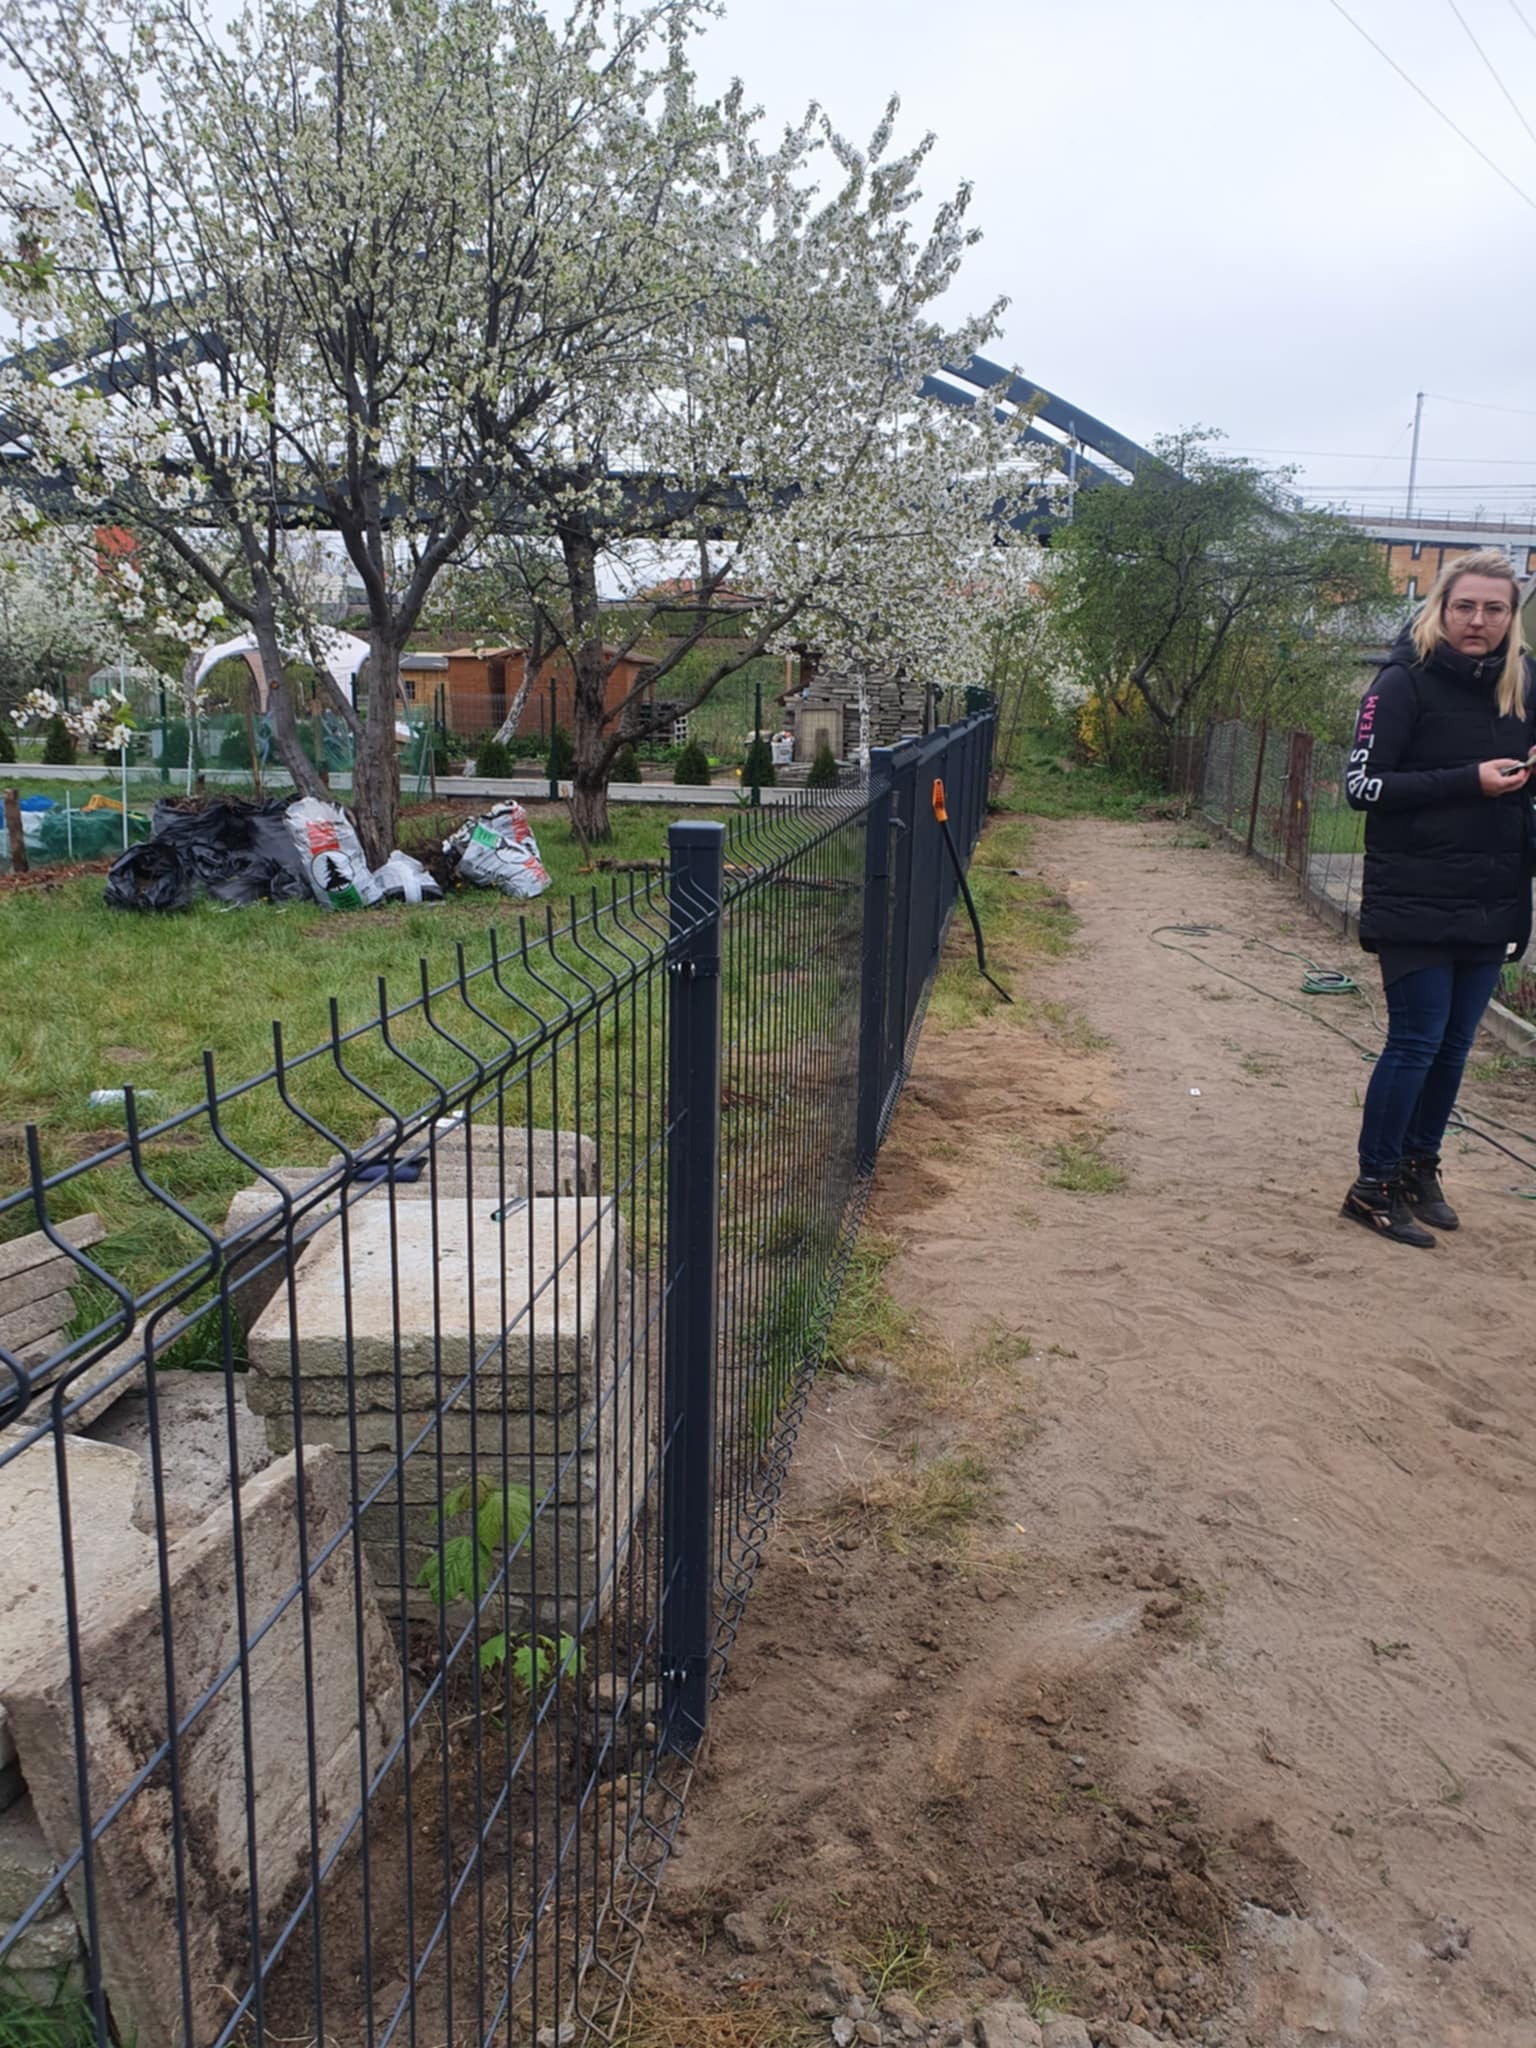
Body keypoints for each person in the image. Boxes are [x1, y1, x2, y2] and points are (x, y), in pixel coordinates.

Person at [1341, 549, 1536, 1245]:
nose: (1477, 621)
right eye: (1465, 607)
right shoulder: (1401, 684)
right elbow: (1362, 788)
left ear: (1512, 617)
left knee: (1455, 1047)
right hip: (1416, 893)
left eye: (1493, 609)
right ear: (1440, 609)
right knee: (1417, 1041)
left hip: (1490, 895)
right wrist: (1468, 781)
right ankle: (1372, 1184)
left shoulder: (1523, 683)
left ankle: (1420, 1168)